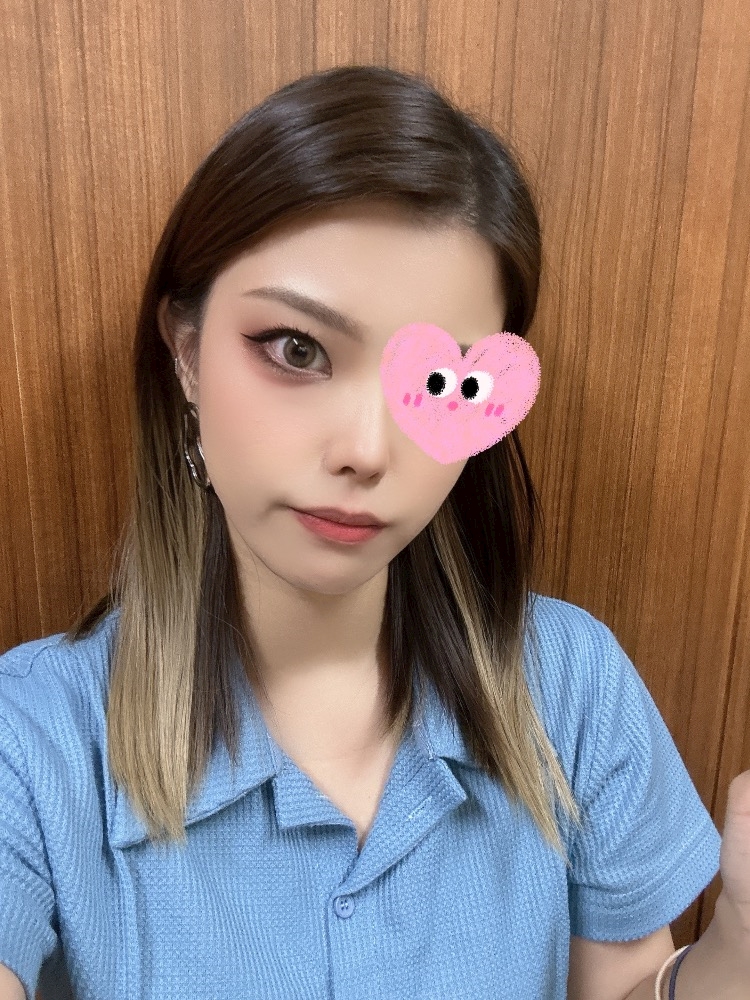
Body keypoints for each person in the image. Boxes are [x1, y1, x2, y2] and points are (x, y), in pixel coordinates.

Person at [0, 64, 748, 1000]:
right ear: (186, 351)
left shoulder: (572, 686)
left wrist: (738, 948)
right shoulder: (31, 739)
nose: (366, 451)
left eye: (439, 383)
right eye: (297, 349)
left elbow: (630, 985)